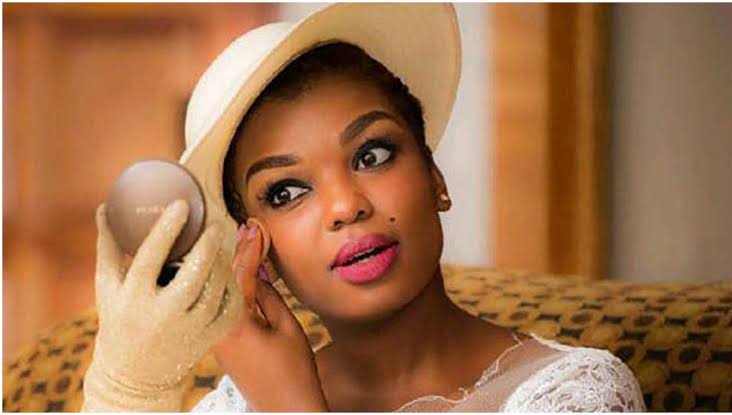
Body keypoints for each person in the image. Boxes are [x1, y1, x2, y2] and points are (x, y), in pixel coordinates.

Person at [83, 3, 646, 412]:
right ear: (258, 247)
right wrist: (128, 389)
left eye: (372, 155)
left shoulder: (572, 394)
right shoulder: (239, 403)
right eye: (286, 192)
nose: (345, 206)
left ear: (434, 176)